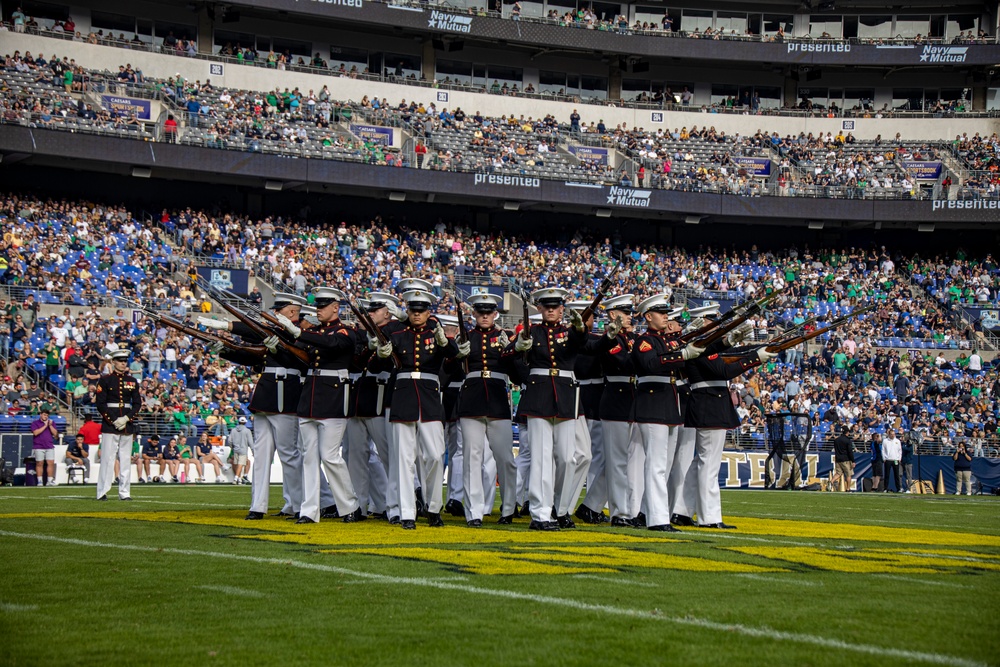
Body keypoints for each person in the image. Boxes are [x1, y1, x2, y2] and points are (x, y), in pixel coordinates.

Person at [203, 292, 313, 520]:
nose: (275, 313)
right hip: (266, 397)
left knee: (289, 455)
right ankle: (258, 505)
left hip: (286, 396)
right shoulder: (274, 333)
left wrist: (230, 325)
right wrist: (225, 344)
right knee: (262, 455)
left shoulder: (302, 334)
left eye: (279, 309)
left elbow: (297, 357)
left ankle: (297, 504)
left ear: (292, 312)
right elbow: (251, 352)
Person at [276, 286, 362, 524]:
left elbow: (332, 345)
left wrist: (298, 333)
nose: (318, 310)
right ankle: (309, 510)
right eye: (317, 306)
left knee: (330, 456)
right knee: (309, 457)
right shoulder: (314, 331)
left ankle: (350, 506)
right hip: (311, 397)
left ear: (336, 307)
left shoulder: (346, 332)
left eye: (323, 306)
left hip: (333, 397)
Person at [374, 287, 458, 529]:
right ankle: (407, 512)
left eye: (421, 310)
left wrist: (445, 342)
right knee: (404, 458)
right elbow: (377, 361)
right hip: (403, 397)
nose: (417, 314)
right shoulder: (397, 333)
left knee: (433, 455)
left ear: (428, 312)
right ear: (407, 311)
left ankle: (433, 506)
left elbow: (454, 356)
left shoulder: (436, 332)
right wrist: (381, 354)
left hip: (430, 398)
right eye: (413, 310)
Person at [506, 287, 590, 531]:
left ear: (562, 309)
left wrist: (580, 328)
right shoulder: (531, 332)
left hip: (565, 396)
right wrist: (520, 346)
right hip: (539, 394)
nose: (551, 310)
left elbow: (580, 342)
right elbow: (507, 355)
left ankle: (560, 508)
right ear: (540, 309)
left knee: (567, 458)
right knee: (542, 458)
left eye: (555, 306)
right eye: (546, 306)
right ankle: (540, 514)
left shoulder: (570, 332)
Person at [684, 339, 777, 529]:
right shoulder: (702, 348)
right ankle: (709, 517)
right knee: (708, 464)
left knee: (700, 464)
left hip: (709, 406)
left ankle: (682, 509)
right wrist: (756, 357)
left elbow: (731, 353)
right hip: (710, 407)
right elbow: (724, 371)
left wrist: (758, 349)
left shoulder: (706, 348)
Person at [456, 293, 520, 527]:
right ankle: (473, 512)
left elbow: (518, 375)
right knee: (472, 458)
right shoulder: (467, 337)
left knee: (505, 458)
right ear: (474, 314)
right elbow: (453, 369)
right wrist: (456, 354)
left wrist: (512, 352)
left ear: (495, 314)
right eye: (480, 312)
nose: (484, 316)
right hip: (472, 400)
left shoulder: (504, 338)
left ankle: (509, 508)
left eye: (489, 312)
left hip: (497, 401)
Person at [345, 293, 399, 520]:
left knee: (389, 456)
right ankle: (359, 505)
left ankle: (395, 505)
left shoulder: (397, 331)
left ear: (387, 312)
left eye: (375, 310)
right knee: (356, 456)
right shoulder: (363, 334)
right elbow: (356, 361)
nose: (371, 314)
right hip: (362, 397)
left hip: (382, 395)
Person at [597, 294, 640, 527]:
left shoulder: (630, 338)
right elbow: (626, 363)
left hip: (632, 399)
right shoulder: (610, 339)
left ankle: (630, 509)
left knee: (630, 461)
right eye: (625, 311)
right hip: (616, 399)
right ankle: (619, 512)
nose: (630, 316)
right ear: (613, 314)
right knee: (617, 462)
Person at [95, 349, 141, 501]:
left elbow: (137, 404)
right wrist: (114, 420)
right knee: (107, 458)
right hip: (110, 423)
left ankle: (125, 492)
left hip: (127, 424)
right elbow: (101, 404)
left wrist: (127, 418)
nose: (123, 363)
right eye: (120, 361)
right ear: (113, 362)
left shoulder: (132, 381)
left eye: (124, 361)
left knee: (125, 459)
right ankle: (102, 491)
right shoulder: (105, 380)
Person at [31, 408, 59, 486]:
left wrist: (50, 426)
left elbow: (55, 434)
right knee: (39, 463)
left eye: (47, 415)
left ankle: (49, 480)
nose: (45, 416)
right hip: (39, 446)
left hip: (49, 446)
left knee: (50, 463)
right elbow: (36, 433)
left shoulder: (51, 423)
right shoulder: (35, 423)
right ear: (40, 415)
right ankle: (39, 481)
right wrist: (45, 426)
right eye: (44, 414)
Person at [228, 416, 253, 484]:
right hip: (243, 449)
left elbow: (229, 441)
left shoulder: (233, 430)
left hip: (236, 449)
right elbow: (250, 442)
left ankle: (238, 479)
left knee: (237, 464)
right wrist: (253, 451)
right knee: (240, 463)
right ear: (245, 423)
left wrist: (232, 447)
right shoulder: (247, 431)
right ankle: (236, 478)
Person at [832, 425, 854, 492]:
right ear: (847, 432)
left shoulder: (836, 440)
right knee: (848, 474)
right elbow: (850, 451)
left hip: (838, 459)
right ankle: (848, 488)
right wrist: (853, 461)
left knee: (838, 473)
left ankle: (831, 482)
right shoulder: (847, 440)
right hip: (846, 459)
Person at [882, 428, 902, 493]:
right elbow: (883, 450)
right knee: (887, 475)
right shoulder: (885, 441)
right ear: (889, 434)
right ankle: (885, 488)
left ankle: (898, 488)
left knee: (897, 475)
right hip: (888, 460)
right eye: (891, 434)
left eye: (894, 434)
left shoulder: (897, 441)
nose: (893, 435)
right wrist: (884, 458)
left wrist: (899, 458)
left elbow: (900, 450)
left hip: (895, 460)